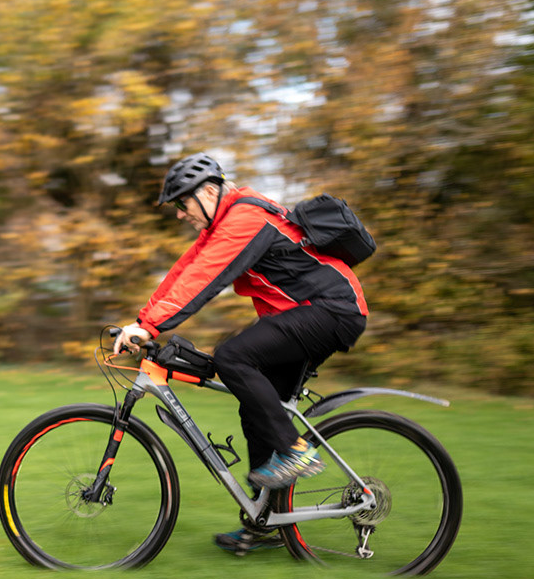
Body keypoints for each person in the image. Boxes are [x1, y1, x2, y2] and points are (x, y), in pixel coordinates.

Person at [112, 152, 368, 555]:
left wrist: (150, 327)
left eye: (183, 203)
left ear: (210, 192)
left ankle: (296, 451)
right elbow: (185, 271)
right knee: (256, 408)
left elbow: (205, 281)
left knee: (232, 357)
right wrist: (143, 319)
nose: (180, 214)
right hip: (310, 313)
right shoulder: (226, 222)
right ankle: (264, 519)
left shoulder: (245, 219)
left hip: (330, 310)